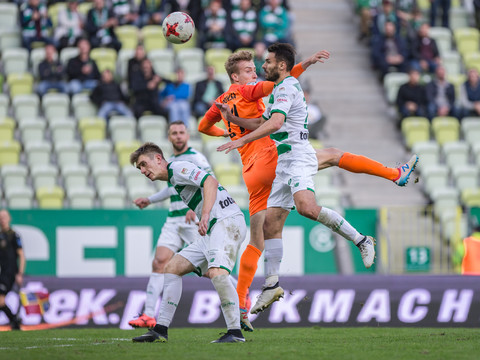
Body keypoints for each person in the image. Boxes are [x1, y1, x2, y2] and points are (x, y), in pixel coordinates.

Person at [199, 49, 418, 331]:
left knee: (261, 234)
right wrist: (305, 64)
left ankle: (247, 300)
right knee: (331, 160)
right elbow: (280, 83)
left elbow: (204, 126)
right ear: (235, 76)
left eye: (258, 67)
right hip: (273, 157)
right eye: (250, 68)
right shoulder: (253, 89)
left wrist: (230, 133)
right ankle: (391, 181)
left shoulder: (220, 102)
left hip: (251, 172)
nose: (256, 70)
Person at [130, 143, 247, 343]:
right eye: (139, 168)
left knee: (218, 273)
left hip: (226, 222)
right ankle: (160, 330)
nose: (142, 171)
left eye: (143, 164)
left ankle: (235, 332)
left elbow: (209, 181)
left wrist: (206, 214)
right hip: (213, 228)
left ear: (158, 159)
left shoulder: (177, 167)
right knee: (172, 268)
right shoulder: (174, 178)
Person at [128, 121, 213, 328]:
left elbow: (209, 181)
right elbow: (170, 189)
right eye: (174, 133)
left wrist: (196, 207)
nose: (178, 136)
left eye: (181, 132)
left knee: (209, 267)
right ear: (169, 137)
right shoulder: (169, 161)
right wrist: (150, 199)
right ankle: (148, 314)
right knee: (159, 262)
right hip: (173, 219)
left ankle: (240, 295)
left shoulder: (195, 157)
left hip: (190, 218)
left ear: (187, 135)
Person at [0, 209, 25, 330]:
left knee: (0, 300)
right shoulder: (0, 236)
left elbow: (21, 255)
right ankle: (15, 321)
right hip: (1, 273)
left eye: (4, 217)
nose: (2, 219)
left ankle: (15, 322)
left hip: (9, 273)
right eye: (0, 217)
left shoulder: (14, 235)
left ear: (9, 218)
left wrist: (20, 273)